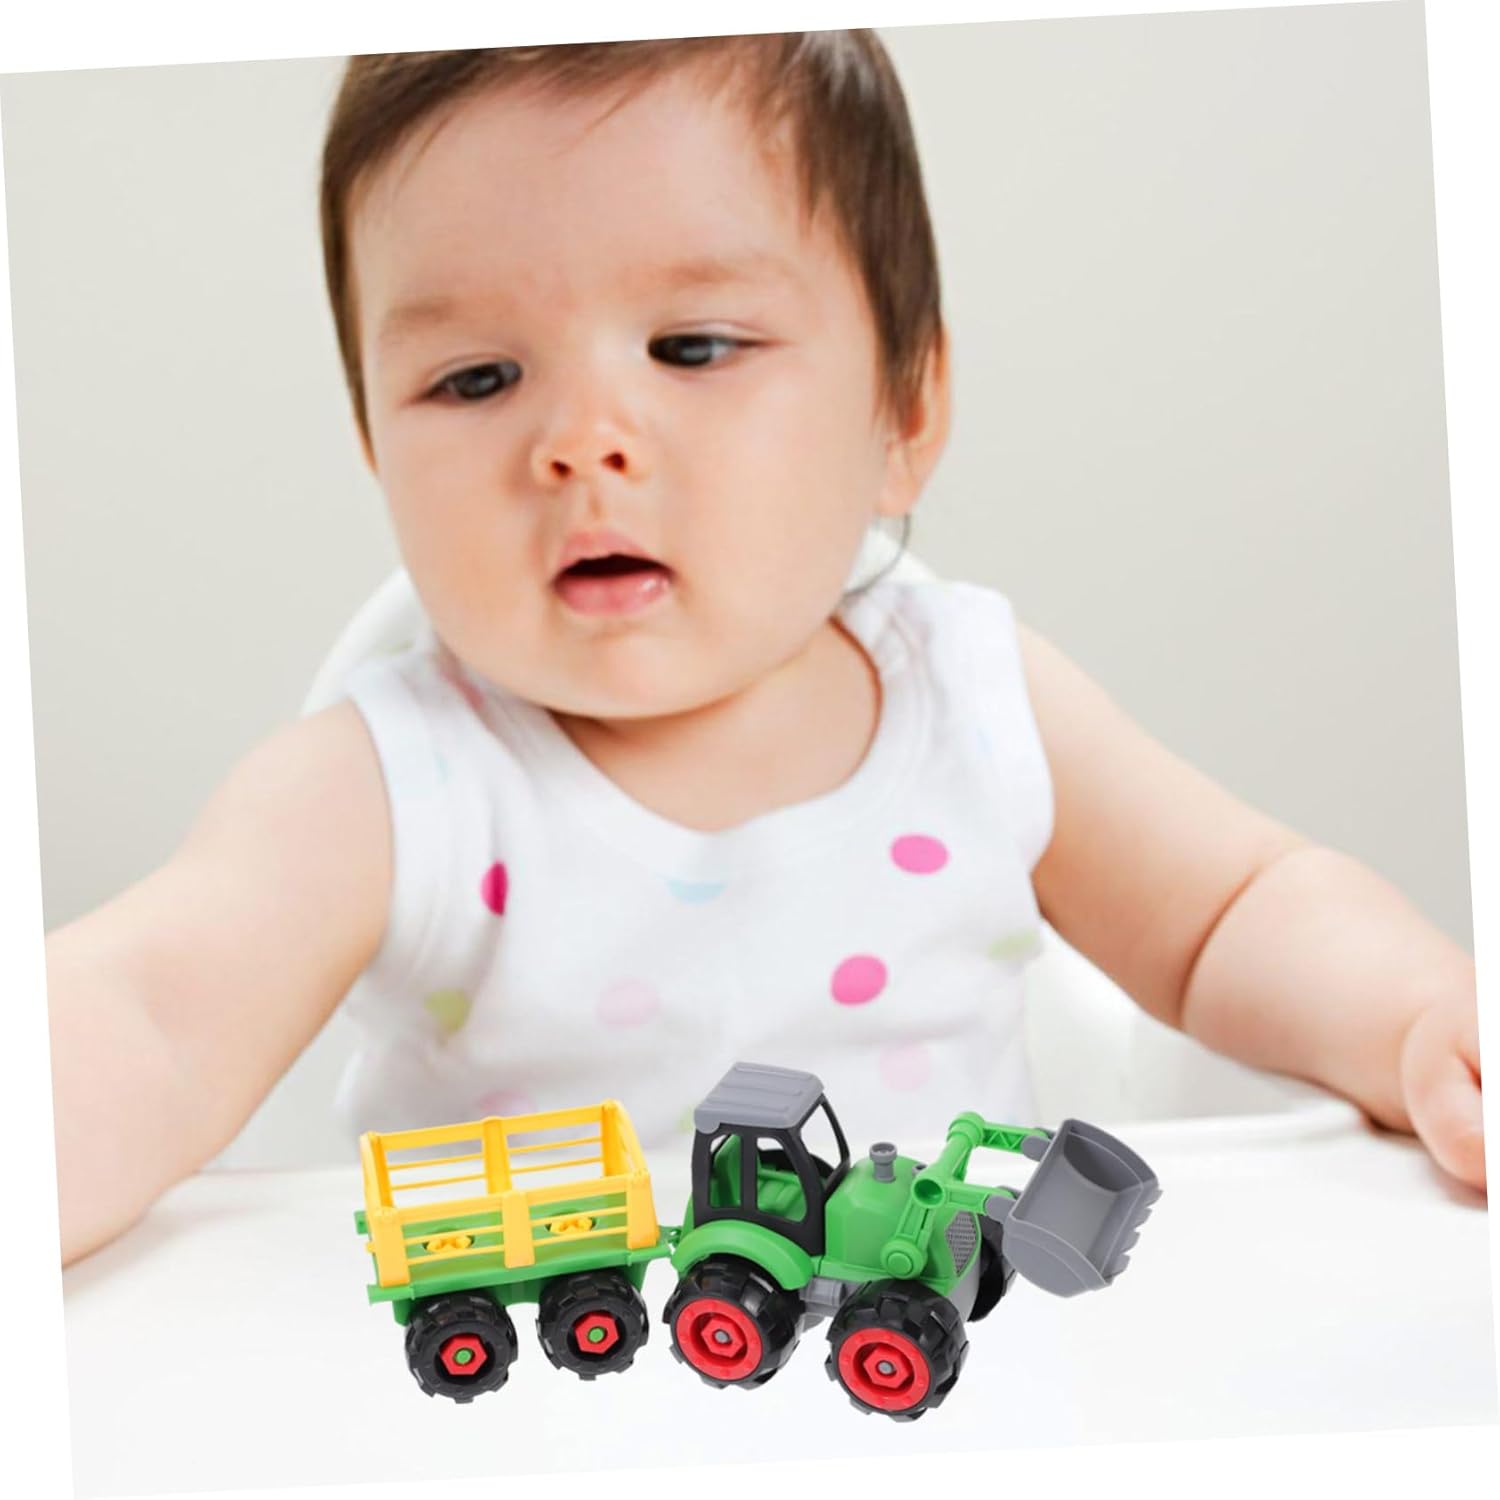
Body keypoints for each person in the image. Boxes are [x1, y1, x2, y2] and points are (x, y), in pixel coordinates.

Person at [46, 32, 1483, 1267]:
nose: (582, 442)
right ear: (373, 444)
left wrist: (1422, 1020)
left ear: (902, 412)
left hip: (951, 1375)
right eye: (475, 378)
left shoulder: (974, 702)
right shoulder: (392, 786)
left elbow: (1234, 911)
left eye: (694, 347)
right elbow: (151, 1016)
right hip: (538, 1419)